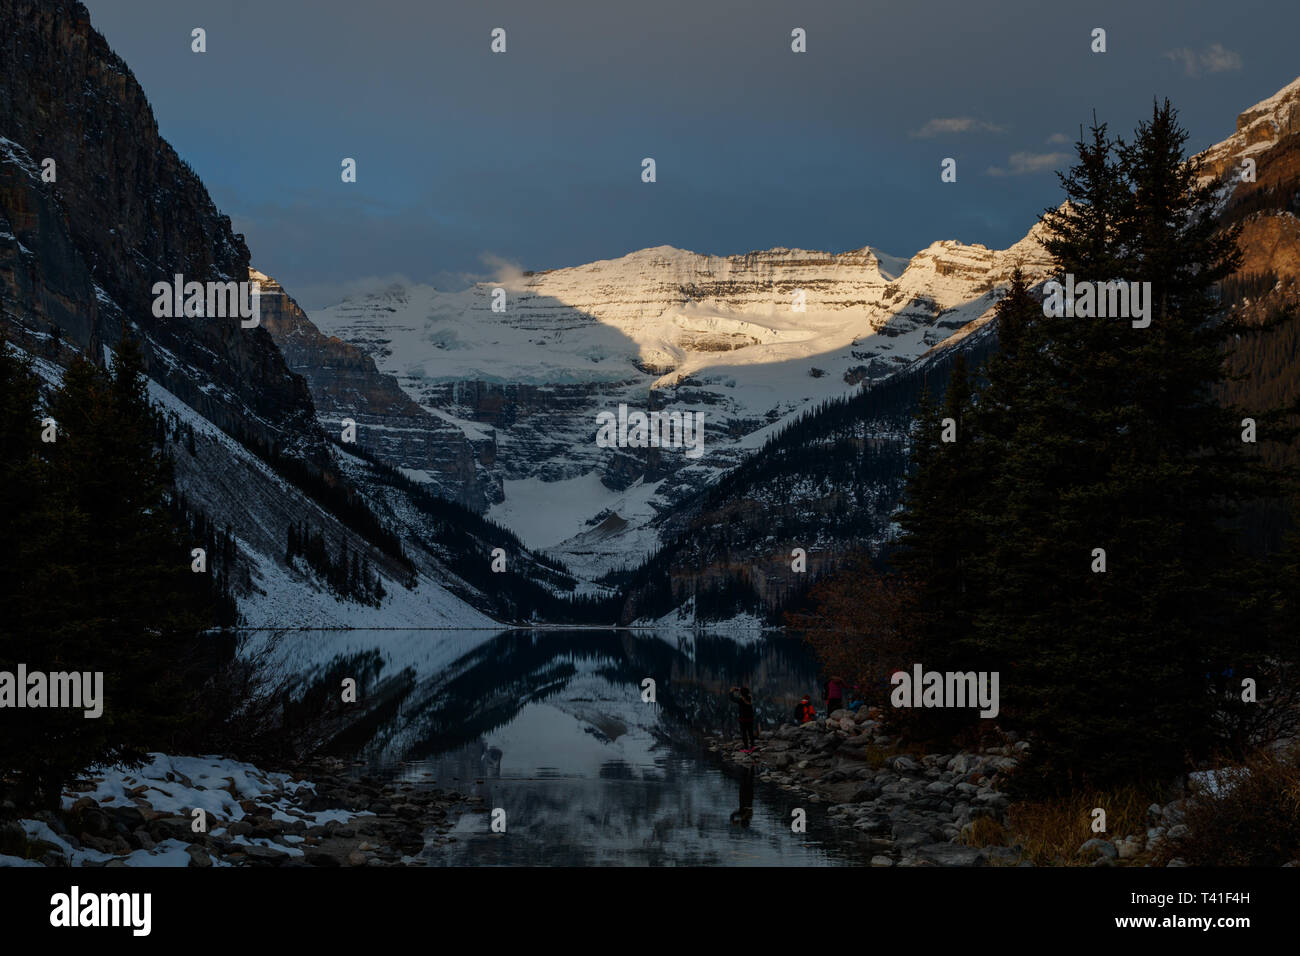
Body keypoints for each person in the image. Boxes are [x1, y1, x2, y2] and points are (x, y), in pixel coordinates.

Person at [729, 685, 756, 752]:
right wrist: (739, 689)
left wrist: (731, 692)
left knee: (744, 733)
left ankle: (746, 748)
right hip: (750, 719)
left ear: (741, 694)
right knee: (750, 733)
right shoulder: (749, 698)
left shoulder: (740, 700)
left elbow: (732, 698)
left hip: (743, 720)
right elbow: (745, 691)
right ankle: (752, 747)